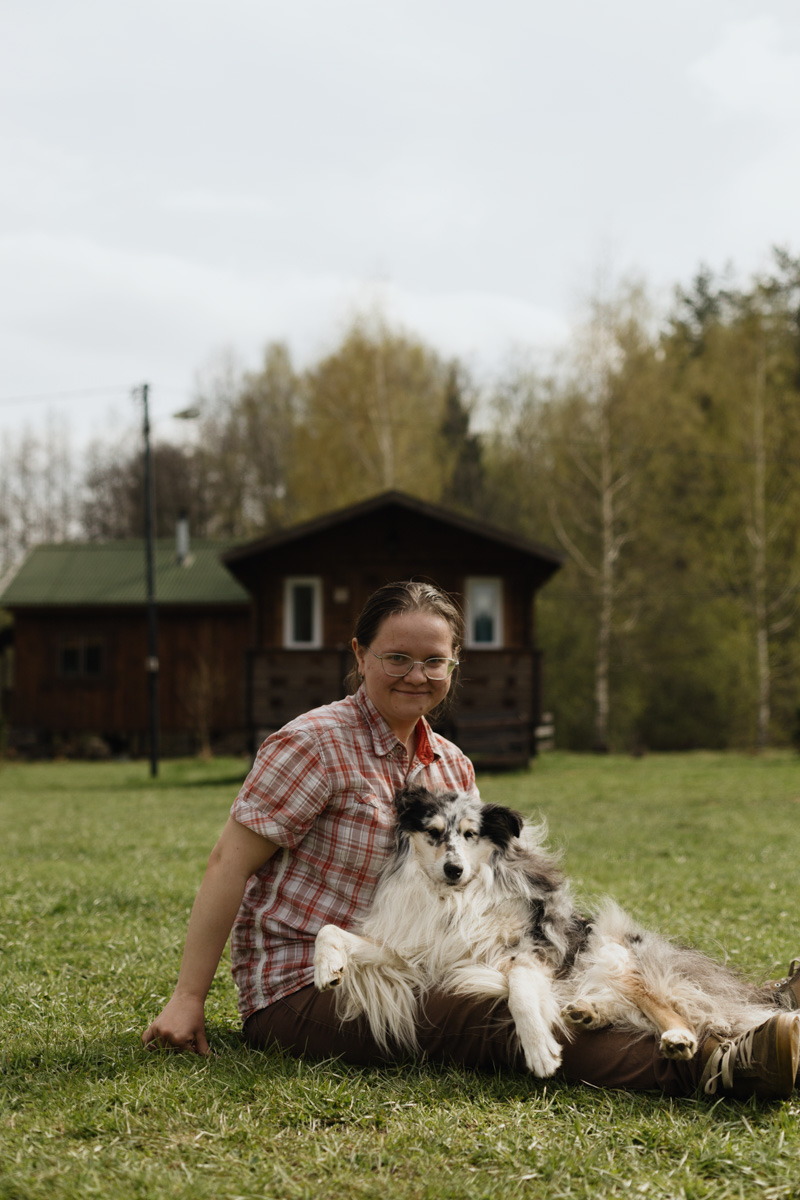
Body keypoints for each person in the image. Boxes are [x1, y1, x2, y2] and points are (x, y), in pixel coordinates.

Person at [143, 580, 800, 1101]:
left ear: (453, 664)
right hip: (307, 987)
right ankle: (716, 1070)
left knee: (592, 960)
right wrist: (188, 1000)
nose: (415, 674)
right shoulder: (313, 745)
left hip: (426, 959)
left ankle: (756, 1010)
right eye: (396, 657)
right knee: (487, 1014)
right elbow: (229, 863)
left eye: (434, 660)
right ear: (359, 655)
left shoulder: (453, 768)